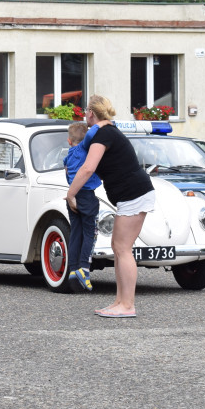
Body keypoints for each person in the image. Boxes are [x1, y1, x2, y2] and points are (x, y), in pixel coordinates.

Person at [66, 95, 154, 318]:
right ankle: (119, 301)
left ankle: (128, 305)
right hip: (130, 194)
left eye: (86, 110)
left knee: (123, 249)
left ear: (92, 114)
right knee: (118, 247)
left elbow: (87, 169)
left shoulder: (103, 134)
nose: (84, 114)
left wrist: (70, 194)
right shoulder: (106, 131)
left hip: (134, 193)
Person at [64, 121, 101, 291]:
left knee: (75, 233)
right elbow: (92, 137)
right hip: (86, 195)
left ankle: (72, 269)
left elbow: (66, 172)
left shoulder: (68, 155)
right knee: (89, 233)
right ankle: (84, 268)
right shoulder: (86, 150)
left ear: (69, 141)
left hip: (73, 195)